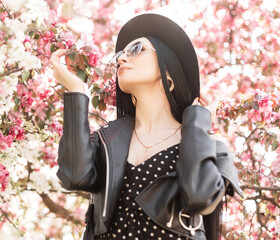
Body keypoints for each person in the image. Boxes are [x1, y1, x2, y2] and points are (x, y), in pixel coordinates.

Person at [50, 13, 244, 240]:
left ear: (167, 71)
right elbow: (73, 175)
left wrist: (197, 122)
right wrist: (76, 92)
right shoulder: (107, 141)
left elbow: (199, 195)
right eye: (120, 55)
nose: (121, 59)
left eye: (135, 50)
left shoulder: (211, 149)